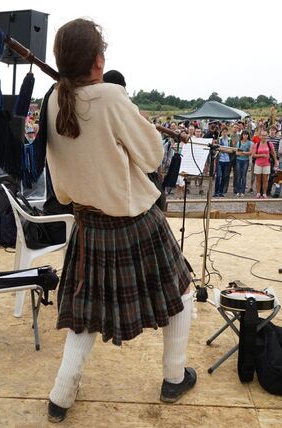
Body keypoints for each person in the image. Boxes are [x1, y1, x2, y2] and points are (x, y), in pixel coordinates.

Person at [44, 19, 195, 423]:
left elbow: (59, 184)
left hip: (88, 226)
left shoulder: (52, 100)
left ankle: (60, 397)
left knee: (85, 314)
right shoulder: (111, 96)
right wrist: (134, 118)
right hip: (135, 223)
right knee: (181, 295)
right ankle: (174, 377)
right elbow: (150, 157)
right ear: (97, 60)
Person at [251, 129, 277, 199]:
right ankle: (258, 193)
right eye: (262, 135)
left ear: (267, 136)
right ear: (260, 136)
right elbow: (253, 155)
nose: (264, 137)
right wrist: (262, 155)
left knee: (265, 180)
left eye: (265, 135)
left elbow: (273, 153)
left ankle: (264, 193)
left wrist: (276, 161)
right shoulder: (257, 144)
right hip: (258, 163)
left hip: (267, 164)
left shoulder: (270, 144)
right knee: (258, 179)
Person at [234, 130, 252, 196]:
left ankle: (243, 191)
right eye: (244, 134)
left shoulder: (250, 143)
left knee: (244, 176)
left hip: (245, 161)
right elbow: (236, 152)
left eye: (246, 134)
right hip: (238, 160)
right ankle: (238, 191)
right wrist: (245, 153)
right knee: (238, 176)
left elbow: (251, 152)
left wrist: (243, 153)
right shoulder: (239, 142)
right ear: (242, 135)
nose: (245, 136)